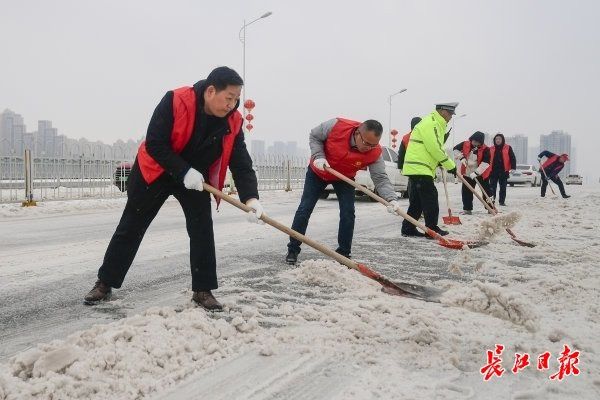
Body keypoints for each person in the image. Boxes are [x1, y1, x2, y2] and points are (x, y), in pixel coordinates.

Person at [84, 67, 264, 311]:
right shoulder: (176, 100)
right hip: (157, 169)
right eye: (228, 98)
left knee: (202, 228)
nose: (232, 105)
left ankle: (203, 290)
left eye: (236, 99)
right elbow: (155, 142)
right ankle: (105, 283)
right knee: (132, 225)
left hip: (196, 177)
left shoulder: (233, 121)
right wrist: (182, 171)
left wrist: (251, 198)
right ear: (211, 91)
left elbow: (241, 162)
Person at [285, 118, 401, 264]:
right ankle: (293, 249)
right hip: (319, 171)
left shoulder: (375, 152)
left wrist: (391, 199)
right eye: (365, 143)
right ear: (357, 133)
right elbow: (315, 136)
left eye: (373, 145)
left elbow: (380, 178)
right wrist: (319, 156)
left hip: (344, 178)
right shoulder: (337, 126)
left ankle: (344, 254)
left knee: (348, 212)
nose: (368, 148)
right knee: (304, 208)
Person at [401, 103, 458, 237]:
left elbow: (431, 148)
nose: (450, 117)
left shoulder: (434, 123)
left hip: (417, 167)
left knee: (417, 202)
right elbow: (435, 148)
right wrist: (451, 166)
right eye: (449, 114)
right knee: (430, 198)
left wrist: (441, 162)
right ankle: (431, 229)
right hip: (420, 167)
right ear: (442, 111)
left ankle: (408, 228)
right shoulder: (431, 123)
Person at [452, 131, 491, 214]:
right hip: (468, 172)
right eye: (474, 141)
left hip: (482, 173)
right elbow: (455, 149)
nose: (476, 144)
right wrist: (461, 157)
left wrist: (476, 173)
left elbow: (486, 163)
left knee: (487, 191)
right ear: (471, 139)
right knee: (466, 191)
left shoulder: (486, 149)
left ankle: (491, 207)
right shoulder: (465, 144)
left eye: (478, 142)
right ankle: (467, 209)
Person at [487, 133, 516, 206]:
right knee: (492, 188)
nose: (498, 140)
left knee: (503, 188)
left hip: (504, 171)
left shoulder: (508, 147)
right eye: (496, 139)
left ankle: (502, 201)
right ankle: (492, 202)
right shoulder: (491, 148)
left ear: (502, 140)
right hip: (493, 171)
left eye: (499, 139)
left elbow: (512, 157)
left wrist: (513, 167)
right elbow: (487, 159)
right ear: (494, 140)